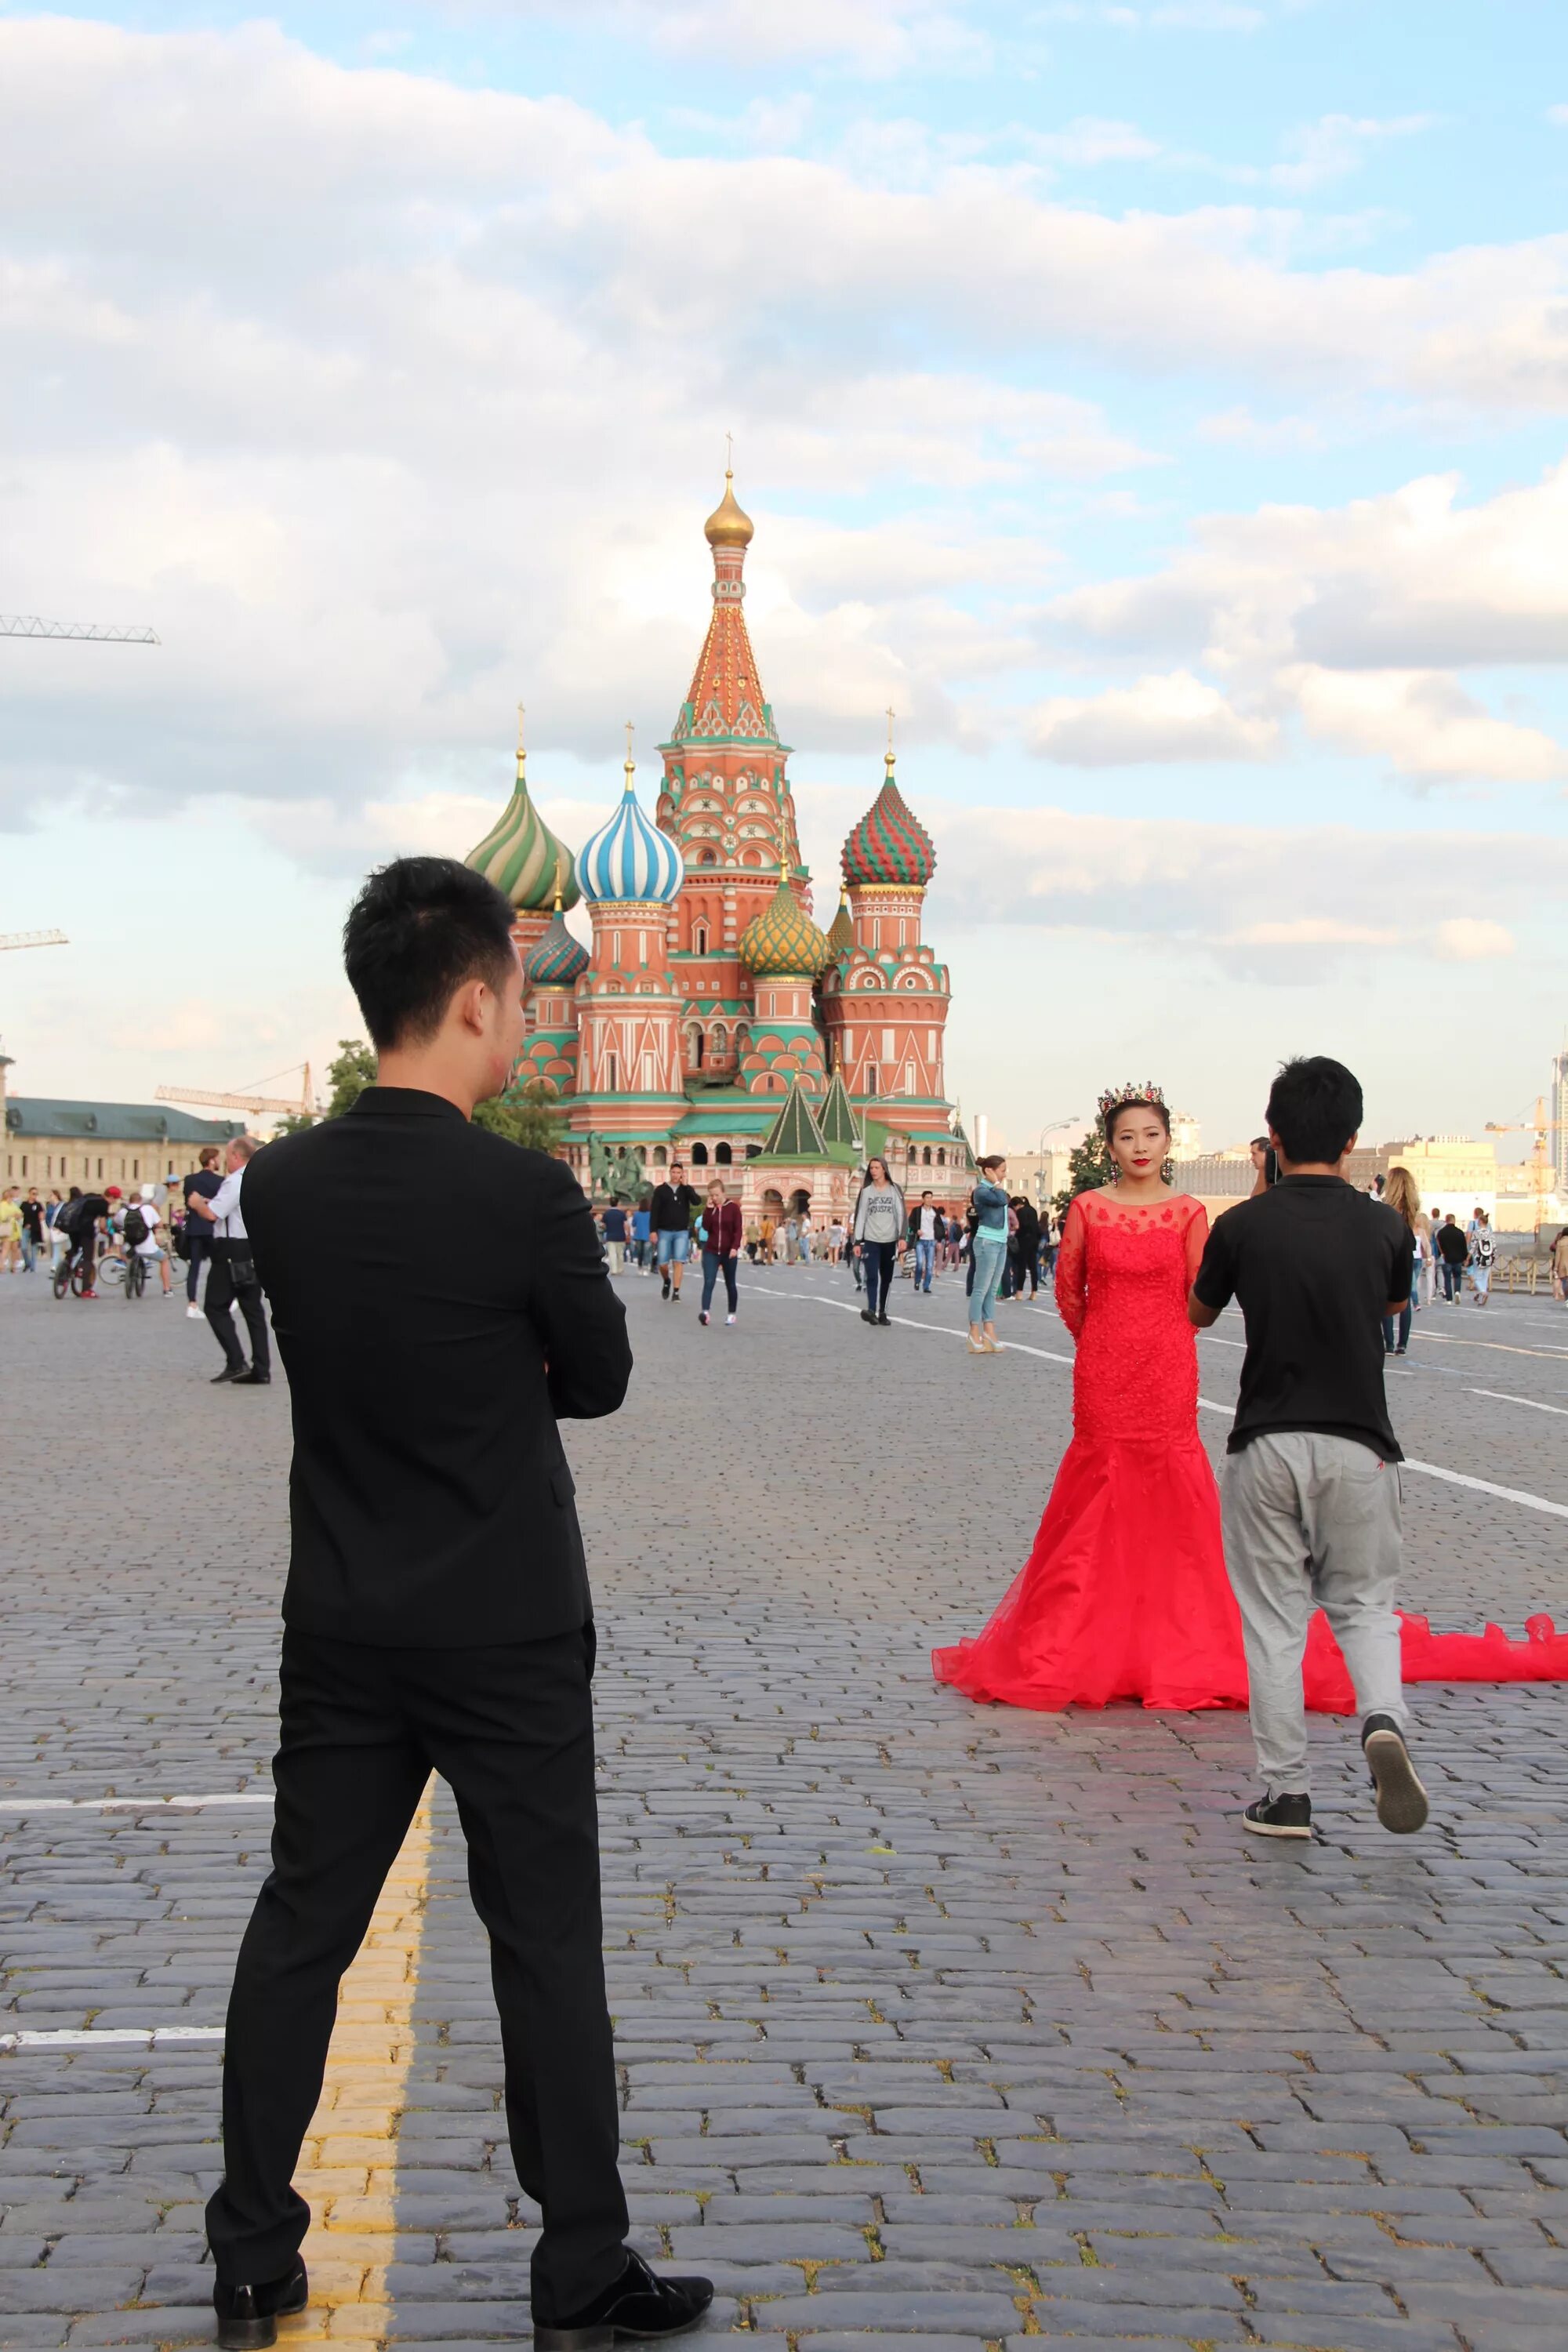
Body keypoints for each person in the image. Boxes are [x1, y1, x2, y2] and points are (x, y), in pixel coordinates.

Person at [204, 856, 710, 2352]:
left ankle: (249, 2246)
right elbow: (601, 1380)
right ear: (482, 997)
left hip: (344, 1618)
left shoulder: (284, 1182)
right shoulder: (523, 1190)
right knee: (546, 1938)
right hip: (505, 1625)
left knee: (303, 1924)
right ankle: (580, 2266)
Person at [935, 1093, 1247, 1704]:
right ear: (1109, 1147)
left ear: (1167, 1143)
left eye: (1151, 1135)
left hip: (1168, 1366)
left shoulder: (1189, 1213)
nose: (1139, 1147)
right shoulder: (1087, 1208)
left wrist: (1160, 1339)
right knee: (1098, 1485)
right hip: (1102, 1368)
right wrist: (1099, 1341)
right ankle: (1078, 1637)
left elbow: (1200, 1296)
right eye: (1127, 1137)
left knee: (1172, 1487)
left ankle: (1175, 1641)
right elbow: (1070, 1290)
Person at [1189, 1056, 1426, 1842]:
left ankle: (1286, 1795)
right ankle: (1381, 1721)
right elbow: (1393, 1302)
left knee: (1272, 1624)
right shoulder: (1383, 1225)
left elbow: (1197, 1311)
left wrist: (1257, 1200)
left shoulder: (1241, 1226)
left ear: (1270, 1138)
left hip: (1265, 1442)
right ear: (1352, 1141)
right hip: (1360, 1443)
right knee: (1363, 1607)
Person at [191, 1138, 272, 1384]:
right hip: (253, 1247)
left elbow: (212, 1214)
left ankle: (236, 1361)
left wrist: (197, 1204)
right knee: (253, 1310)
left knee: (215, 1307)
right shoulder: (261, 1179)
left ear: (236, 1156)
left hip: (230, 1249)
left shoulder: (236, 1181)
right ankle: (262, 1367)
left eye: (228, 1156)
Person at [851, 1157, 905, 1326]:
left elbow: (901, 1214)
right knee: (872, 1276)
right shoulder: (866, 1191)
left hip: (889, 1241)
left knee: (886, 1278)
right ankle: (871, 1311)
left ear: (884, 1169)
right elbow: (861, 1217)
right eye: (871, 1168)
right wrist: (857, 1242)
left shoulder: (894, 1190)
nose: (873, 1171)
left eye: (876, 1167)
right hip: (871, 1241)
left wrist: (902, 1237)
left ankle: (883, 1312)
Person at [966, 1156, 1011, 1353]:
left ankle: (989, 1331)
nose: (1004, 1173)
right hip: (987, 1242)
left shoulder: (993, 1189)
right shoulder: (982, 1191)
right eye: (1001, 1170)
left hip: (1001, 1242)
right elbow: (1002, 1200)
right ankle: (974, 1332)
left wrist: (997, 1183)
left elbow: (1004, 1199)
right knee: (980, 1289)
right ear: (989, 1171)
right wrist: (996, 1182)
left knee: (992, 1290)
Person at [1379, 1166, 1421, 1356]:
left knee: (1387, 1295)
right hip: (1408, 1250)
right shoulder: (1412, 1206)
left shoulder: (1387, 1207)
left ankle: (1388, 1343)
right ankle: (1402, 1343)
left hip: (1389, 1250)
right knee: (1404, 1296)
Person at [184, 1145, 224, 1320]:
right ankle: (224, 1301)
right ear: (212, 1160)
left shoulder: (190, 1180)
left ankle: (192, 1304)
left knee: (194, 1268)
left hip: (194, 1228)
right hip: (213, 1228)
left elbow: (188, 1203)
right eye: (218, 1158)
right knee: (221, 1266)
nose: (220, 1161)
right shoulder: (221, 1181)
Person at [650, 1162, 699, 1302]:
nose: (676, 1175)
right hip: (664, 1230)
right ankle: (666, 1280)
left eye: (679, 1173)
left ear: (682, 1174)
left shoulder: (686, 1190)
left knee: (679, 1261)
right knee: (662, 1263)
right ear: (670, 1173)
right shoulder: (661, 1190)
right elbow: (654, 1211)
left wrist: (687, 1187)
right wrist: (653, 1230)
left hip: (681, 1231)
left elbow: (696, 1201)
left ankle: (676, 1292)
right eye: (674, 1172)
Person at [699, 1179, 742, 1327]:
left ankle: (732, 1313)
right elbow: (706, 1227)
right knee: (709, 1281)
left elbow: (738, 1230)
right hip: (711, 1250)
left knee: (730, 1283)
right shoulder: (711, 1209)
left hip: (729, 1251)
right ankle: (705, 1312)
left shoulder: (734, 1208)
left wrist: (735, 1247)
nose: (714, 1198)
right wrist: (709, 1210)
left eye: (716, 1195)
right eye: (712, 1195)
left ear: (723, 1192)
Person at [127, 1181, 175, 1298]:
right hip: (146, 1247)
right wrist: (164, 1226)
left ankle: (129, 1272)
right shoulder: (149, 1209)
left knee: (127, 1254)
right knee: (164, 1259)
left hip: (129, 1247)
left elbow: (115, 1223)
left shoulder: (125, 1210)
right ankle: (167, 1289)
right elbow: (159, 1223)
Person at [909, 1190, 939, 1294]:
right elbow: (911, 1222)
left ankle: (926, 1286)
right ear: (923, 1199)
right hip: (920, 1241)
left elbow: (940, 1226)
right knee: (920, 1263)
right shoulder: (917, 1211)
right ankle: (917, 1281)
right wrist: (917, 1230)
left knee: (930, 1266)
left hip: (931, 1241)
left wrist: (939, 1240)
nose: (929, 1199)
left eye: (931, 1197)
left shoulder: (935, 1211)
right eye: (927, 1197)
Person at [1012, 1193, 1040, 1302]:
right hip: (1034, 1241)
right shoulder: (1033, 1211)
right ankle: (1034, 1292)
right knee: (1033, 1267)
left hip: (1023, 1241)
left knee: (1022, 1267)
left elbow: (1020, 1228)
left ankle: (1019, 1292)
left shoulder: (1020, 1212)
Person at [1435, 1211, 1468, 1302]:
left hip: (1446, 1258)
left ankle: (1449, 1299)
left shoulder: (1441, 1233)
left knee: (1447, 1279)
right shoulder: (1460, 1232)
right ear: (1454, 1221)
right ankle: (1457, 1292)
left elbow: (1438, 1245)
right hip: (1458, 1259)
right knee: (1457, 1276)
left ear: (1446, 1221)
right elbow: (1463, 1246)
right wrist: (1465, 1258)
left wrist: (1441, 1254)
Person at [1468, 1209, 1494, 1305]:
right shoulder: (1490, 1233)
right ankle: (1481, 1298)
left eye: (1479, 1221)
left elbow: (1473, 1246)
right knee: (1485, 1277)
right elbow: (1494, 1245)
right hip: (1489, 1257)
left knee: (1476, 1277)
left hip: (1478, 1257)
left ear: (1481, 1222)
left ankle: (1483, 1293)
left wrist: (1468, 1256)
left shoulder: (1477, 1233)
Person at [601, 1197, 628, 1276]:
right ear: (618, 1203)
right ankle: (620, 1269)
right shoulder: (622, 1213)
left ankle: (614, 1270)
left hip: (610, 1236)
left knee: (612, 1254)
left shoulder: (607, 1213)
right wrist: (627, 1233)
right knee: (620, 1254)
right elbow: (626, 1225)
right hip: (621, 1236)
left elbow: (603, 1225)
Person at [0, 1187, 20, 1273]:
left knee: (15, 1249)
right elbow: (3, 1217)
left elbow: (19, 1213)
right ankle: (1, 1266)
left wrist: (16, 1215)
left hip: (15, 1230)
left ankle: (13, 1266)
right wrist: (13, 1215)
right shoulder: (2, 1205)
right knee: (5, 1248)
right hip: (7, 1229)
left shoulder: (13, 1204)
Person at [631, 1196, 652, 1274]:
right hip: (648, 1235)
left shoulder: (636, 1214)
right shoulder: (650, 1214)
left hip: (638, 1236)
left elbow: (633, 1224)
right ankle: (646, 1268)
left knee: (640, 1252)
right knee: (647, 1252)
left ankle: (640, 1267)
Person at [1553, 1225, 1568, 1302]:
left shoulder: (1560, 1243)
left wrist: (1556, 1267)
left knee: (1565, 1283)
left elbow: (1558, 1256)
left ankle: (1567, 1300)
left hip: (1563, 1266)